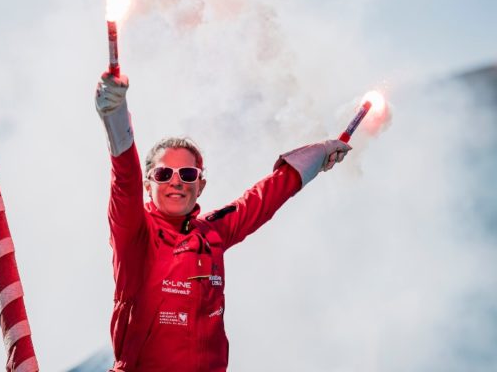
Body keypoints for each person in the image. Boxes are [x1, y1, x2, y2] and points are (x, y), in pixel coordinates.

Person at [94, 71, 351, 372]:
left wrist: (319, 155)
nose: (176, 182)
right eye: (164, 174)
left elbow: (262, 199)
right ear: (148, 184)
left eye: (187, 175)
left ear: (200, 185)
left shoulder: (211, 233)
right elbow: (124, 179)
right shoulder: (135, 234)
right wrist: (115, 114)